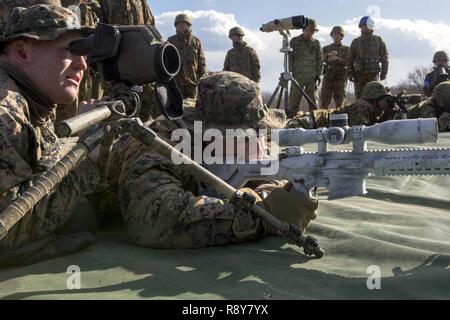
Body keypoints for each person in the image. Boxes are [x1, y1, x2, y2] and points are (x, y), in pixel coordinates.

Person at [107, 71, 319, 249]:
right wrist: (262, 216)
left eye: (261, 133)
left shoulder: (236, 134)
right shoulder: (159, 142)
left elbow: (261, 171)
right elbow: (154, 218)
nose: (261, 144)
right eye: (249, 135)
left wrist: (272, 188)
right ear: (212, 134)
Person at [0, 5, 99, 266]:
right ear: (22, 52)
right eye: (71, 50)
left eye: (85, 53)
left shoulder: (35, 98)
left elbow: (40, 165)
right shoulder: (4, 110)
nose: (83, 64)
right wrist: (88, 156)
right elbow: (6, 226)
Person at [99, 0, 156, 122]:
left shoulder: (141, 2)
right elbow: (99, 31)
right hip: (115, 65)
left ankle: (138, 137)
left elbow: (150, 27)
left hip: (139, 63)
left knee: (144, 105)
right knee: (116, 108)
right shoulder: (104, 2)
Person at [287, 81, 397, 129]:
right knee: (287, 131)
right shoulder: (363, 107)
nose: (387, 102)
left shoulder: (371, 108)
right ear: (375, 98)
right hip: (316, 120)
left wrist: (388, 111)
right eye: (385, 99)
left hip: (319, 122)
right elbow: (367, 131)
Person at [287, 18, 323, 116]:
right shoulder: (294, 41)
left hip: (311, 78)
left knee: (314, 105)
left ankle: (316, 126)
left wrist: (319, 75)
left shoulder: (316, 43)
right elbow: (289, 59)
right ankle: (292, 124)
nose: (309, 32)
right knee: (293, 105)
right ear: (303, 29)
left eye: (311, 31)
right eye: (307, 30)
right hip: (296, 77)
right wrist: (290, 73)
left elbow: (320, 60)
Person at [347, 16, 389, 99]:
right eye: (362, 26)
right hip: (359, 77)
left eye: (365, 26)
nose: (363, 28)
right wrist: (350, 73)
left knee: (375, 99)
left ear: (370, 26)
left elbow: (385, 57)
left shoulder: (378, 40)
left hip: (373, 76)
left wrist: (384, 72)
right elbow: (349, 59)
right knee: (360, 100)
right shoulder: (356, 42)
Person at [168, 13, 206, 99]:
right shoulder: (171, 41)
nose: (181, 25)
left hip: (192, 83)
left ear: (188, 25)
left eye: (183, 23)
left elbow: (201, 62)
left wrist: (202, 80)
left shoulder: (196, 42)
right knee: (175, 108)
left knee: (191, 107)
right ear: (176, 26)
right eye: (178, 23)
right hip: (175, 82)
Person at [320, 26, 349, 109]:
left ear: (342, 36)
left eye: (338, 34)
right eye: (334, 34)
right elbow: (319, 59)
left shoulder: (346, 49)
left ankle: (339, 119)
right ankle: (322, 119)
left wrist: (338, 59)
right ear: (332, 35)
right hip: (328, 77)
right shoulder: (326, 48)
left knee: (340, 102)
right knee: (324, 101)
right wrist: (328, 56)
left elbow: (349, 62)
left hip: (341, 78)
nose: (336, 36)